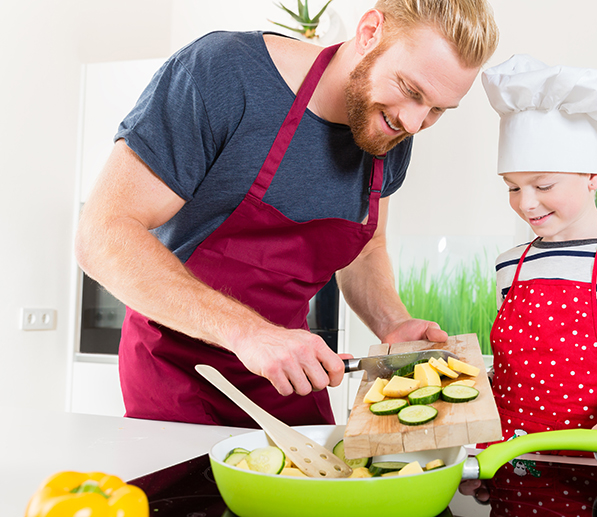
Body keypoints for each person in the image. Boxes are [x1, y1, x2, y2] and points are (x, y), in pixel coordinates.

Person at [74, 0, 499, 428]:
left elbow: (367, 248)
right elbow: (103, 234)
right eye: (411, 90)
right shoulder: (222, 73)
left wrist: (393, 322)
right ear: (370, 31)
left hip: (290, 374)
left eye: (438, 109)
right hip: (178, 370)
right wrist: (250, 334)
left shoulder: (390, 127)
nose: (413, 122)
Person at [479, 54, 597, 466]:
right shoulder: (508, 265)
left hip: (588, 466)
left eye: (543, 184)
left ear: (592, 177)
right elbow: (508, 373)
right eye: (512, 188)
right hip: (501, 460)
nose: (526, 203)